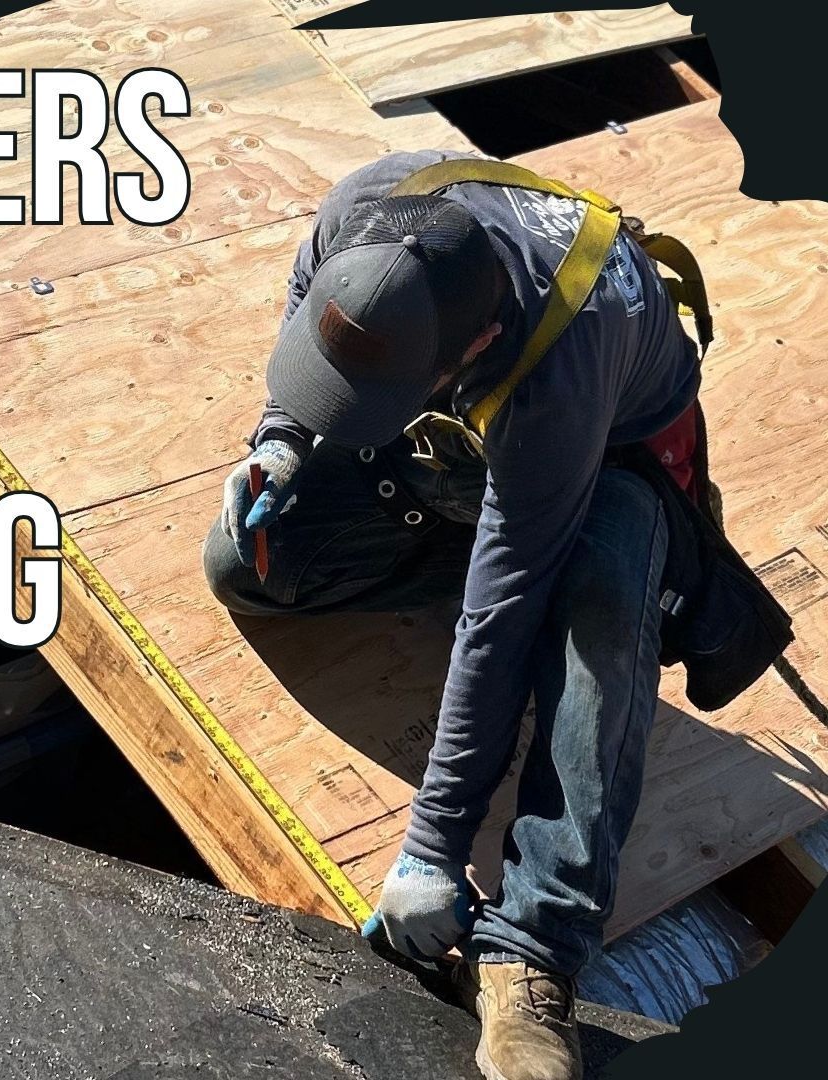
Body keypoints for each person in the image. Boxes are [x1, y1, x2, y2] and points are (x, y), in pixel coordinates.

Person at [202, 150, 701, 1080]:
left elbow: (501, 611)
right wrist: (279, 442)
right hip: (469, 443)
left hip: (606, 465)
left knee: (590, 621)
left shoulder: (564, 363)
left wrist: (432, 849)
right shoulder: (369, 205)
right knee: (248, 563)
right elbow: (312, 294)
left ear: (472, 351)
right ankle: (449, 528)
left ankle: (534, 952)